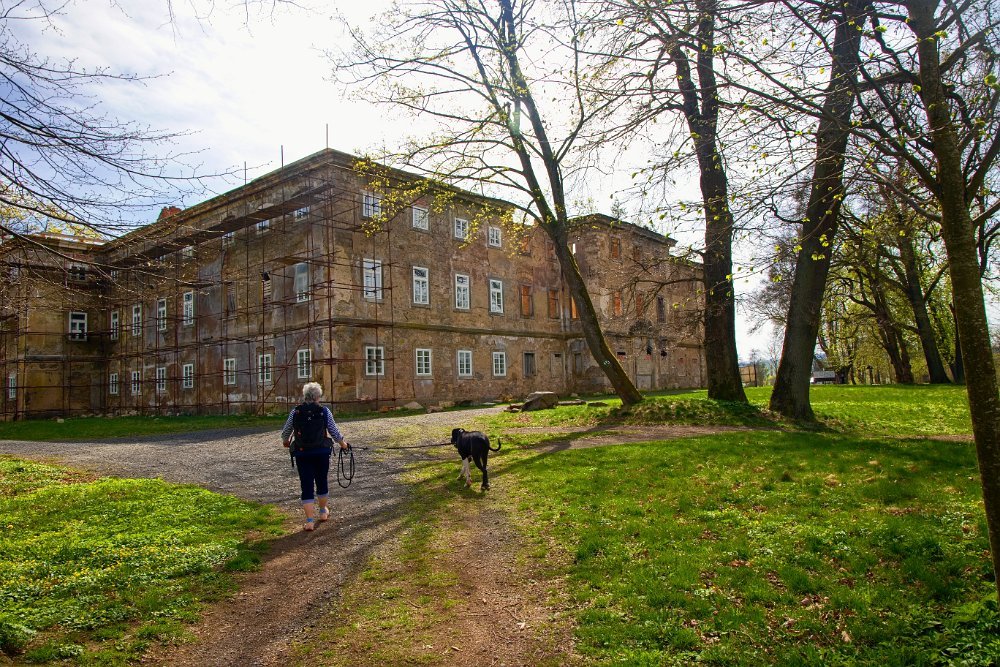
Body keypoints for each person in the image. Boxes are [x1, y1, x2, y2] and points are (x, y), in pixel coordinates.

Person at [281, 382, 349, 531]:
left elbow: (286, 432)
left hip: (302, 453)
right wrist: (343, 444)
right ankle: (323, 511)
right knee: (321, 481)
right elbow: (334, 431)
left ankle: (310, 521)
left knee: (306, 485)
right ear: (318, 396)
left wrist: (286, 441)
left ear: (305, 396)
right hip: (321, 452)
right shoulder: (324, 411)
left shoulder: (295, 412)